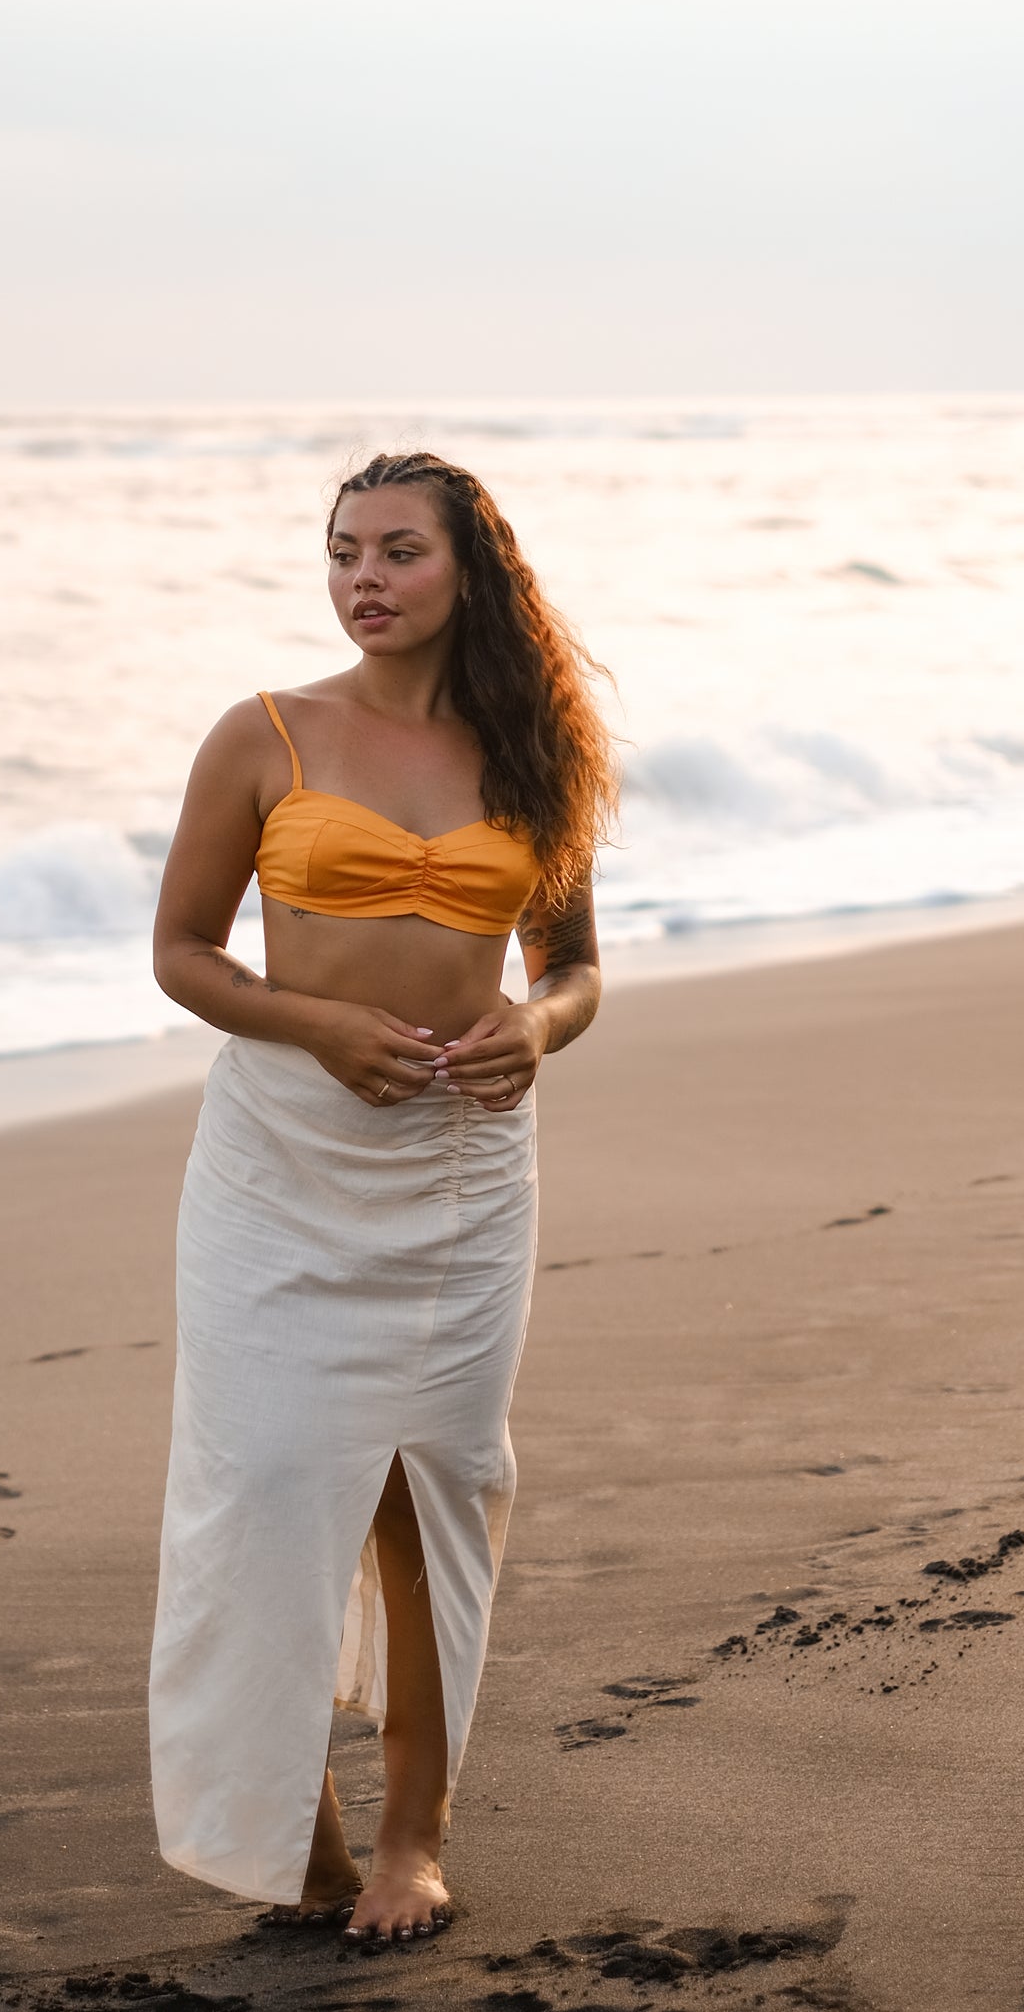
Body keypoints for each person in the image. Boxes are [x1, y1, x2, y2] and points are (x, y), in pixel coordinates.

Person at [148, 449, 618, 1947]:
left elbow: (572, 969)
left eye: (399, 552)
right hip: (281, 1165)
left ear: (470, 571)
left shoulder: (533, 754)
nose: (363, 576)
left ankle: (414, 1838)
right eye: (343, 550)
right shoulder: (265, 734)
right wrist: (316, 1027)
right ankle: (293, 1826)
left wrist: (535, 1030)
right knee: (268, 1483)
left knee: (432, 1498)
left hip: (461, 1173)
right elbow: (183, 951)